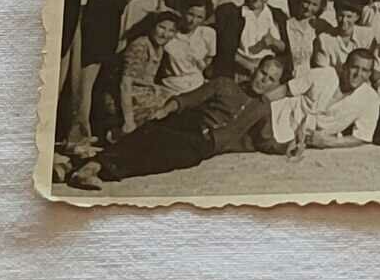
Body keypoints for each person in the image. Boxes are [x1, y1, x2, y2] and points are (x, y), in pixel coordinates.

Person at [66, 55, 287, 190]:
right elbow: (188, 99)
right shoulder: (225, 83)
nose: (263, 81)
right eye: (262, 73)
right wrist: (164, 110)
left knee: (164, 159)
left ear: (276, 84)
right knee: (151, 135)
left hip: (204, 145)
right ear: (255, 69)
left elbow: (266, 140)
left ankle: (86, 167)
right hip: (189, 124)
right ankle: (90, 168)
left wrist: (289, 146)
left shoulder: (263, 108)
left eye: (270, 79)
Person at [61, 0, 124, 143]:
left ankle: (78, 136)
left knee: (82, 84)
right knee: (57, 77)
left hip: (92, 27)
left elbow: (110, 7)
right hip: (66, 21)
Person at [269, 52, 380, 153]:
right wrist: (260, 103)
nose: (358, 74)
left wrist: (327, 142)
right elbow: (286, 90)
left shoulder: (371, 99)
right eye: (354, 67)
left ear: (369, 74)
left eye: (364, 70)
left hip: (297, 139)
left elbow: (362, 137)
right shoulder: (324, 74)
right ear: (344, 67)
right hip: (277, 115)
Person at [213, 0, 291, 81]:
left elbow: (285, 49)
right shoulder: (234, 14)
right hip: (241, 69)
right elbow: (226, 50)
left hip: (268, 72)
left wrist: (273, 42)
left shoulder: (277, 15)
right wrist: (250, 66)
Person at [115, 11, 180, 135]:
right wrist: (128, 120)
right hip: (124, 97)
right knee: (166, 105)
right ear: (152, 26)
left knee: (175, 100)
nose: (165, 34)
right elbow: (125, 83)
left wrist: (151, 85)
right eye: (161, 27)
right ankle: (121, 131)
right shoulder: (140, 45)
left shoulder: (159, 47)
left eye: (171, 31)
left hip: (140, 92)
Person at [159, 0, 217, 96]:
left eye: (199, 17)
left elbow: (209, 57)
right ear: (182, 11)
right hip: (171, 86)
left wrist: (200, 67)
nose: (193, 21)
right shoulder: (171, 32)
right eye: (190, 14)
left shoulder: (208, 33)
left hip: (197, 86)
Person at [315, 0, 375, 68]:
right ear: (336, 15)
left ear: (357, 17)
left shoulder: (367, 35)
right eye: (341, 16)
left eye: (349, 16)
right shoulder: (324, 39)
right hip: (333, 78)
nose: (344, 20)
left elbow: (371, 66)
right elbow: (322, 70)